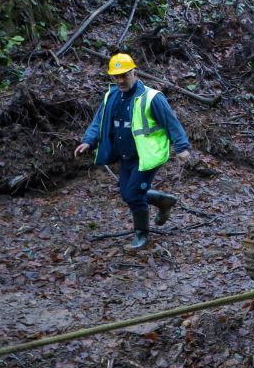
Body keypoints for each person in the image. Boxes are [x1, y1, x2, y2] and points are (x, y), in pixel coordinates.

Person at [74, 53, 191, 250]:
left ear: (134, 72)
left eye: (124, 75)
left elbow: (171, 122)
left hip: (147, 155)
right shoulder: (111, 96)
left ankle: (142, 235)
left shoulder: (151, 97)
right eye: (116, 76)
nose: (120, 80)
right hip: (125, 155)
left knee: (134, 194)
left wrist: (182, 148)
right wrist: (88, 141)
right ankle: (163, 201)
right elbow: (99, 122)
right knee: (127, 193)